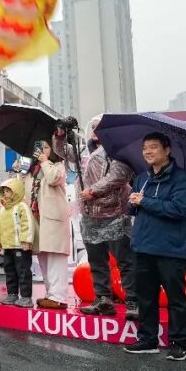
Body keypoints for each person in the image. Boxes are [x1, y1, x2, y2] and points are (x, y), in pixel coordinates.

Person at [123, 132, 186, 361]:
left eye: (153, 147)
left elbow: (179, 210)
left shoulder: (183, 180)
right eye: (145, 148)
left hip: (171, 249)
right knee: (145, 298)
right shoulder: (142, 178)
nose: (148, 152)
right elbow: (133, 209)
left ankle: (179, 344)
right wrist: (132, 203)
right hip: (143, 246)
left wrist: (145, 201)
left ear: (167, 150)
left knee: (176, 298)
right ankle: (148, 340)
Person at [56, 118, 138, 319]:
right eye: (93, 127)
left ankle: (133, 301)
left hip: (114, 214)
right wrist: (60, 136)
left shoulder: (118, 150)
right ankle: (103, 299)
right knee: (97, 261)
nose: (95, 130)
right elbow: (63, 152)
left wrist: (93, 191)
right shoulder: (85, 151)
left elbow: (119, 176)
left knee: (125, 261)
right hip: (90, 215)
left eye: (99, 126)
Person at [31, 142, 72, 309]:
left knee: (56, 257)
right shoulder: (35, 169)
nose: (42, 150)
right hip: (39, 219)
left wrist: (44, 161)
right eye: (40, 147)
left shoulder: (59, 165)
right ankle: (50, 294)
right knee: (44, 257)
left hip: (54, 219)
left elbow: (54, 178)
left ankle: (58, 297)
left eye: (47, 147)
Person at [0, 178, 34, 308]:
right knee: (10, 271)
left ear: (16, 191)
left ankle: (26, 297)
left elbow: (27, 224)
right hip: (8, 246)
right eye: (4, 191)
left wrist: (26, 240)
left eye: (8, 191)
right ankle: (12, 294)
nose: (5, 194)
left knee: (23, 272)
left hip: (20, 246)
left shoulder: (21, 206)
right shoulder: (2, 209)